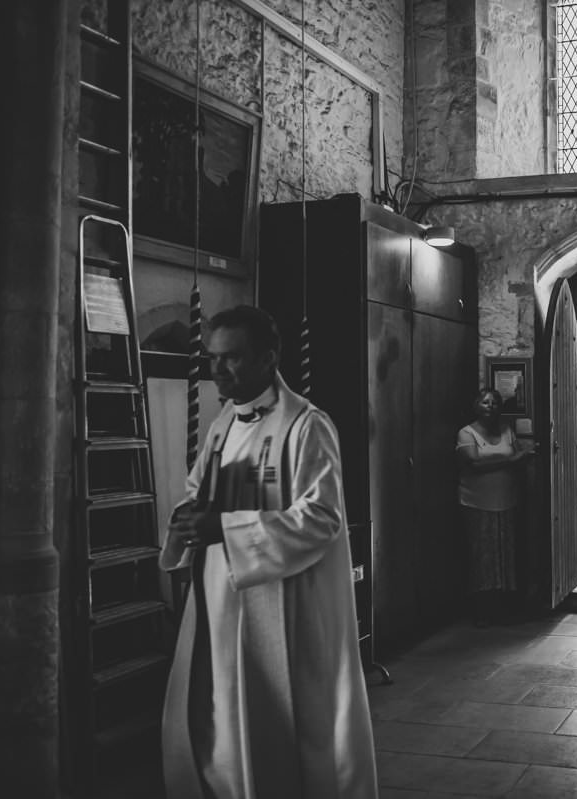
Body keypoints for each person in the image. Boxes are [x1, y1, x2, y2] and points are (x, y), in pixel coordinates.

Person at [159, 305, 377, 799]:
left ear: (268, 358)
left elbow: (321, 518)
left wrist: (224, 527)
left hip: (283, 599)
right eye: (212, 358)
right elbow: (197, 490)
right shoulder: (222, 424)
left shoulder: (307, 425)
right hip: (220, 595)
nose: (217, 370)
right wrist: (189, 517)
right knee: (220, 708)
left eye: (232, 358)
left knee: (282, 717)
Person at [456, 387, 536, 625]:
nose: (490, 406)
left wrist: (519, 459)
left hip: (506, 501)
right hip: (477, 503)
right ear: (476, 406)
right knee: (482, 556)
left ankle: (504, 606)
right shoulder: (466, 433)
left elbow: (520, 456)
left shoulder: (507, 431)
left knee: (504, 555)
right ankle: (482, 608)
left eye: (494, 403)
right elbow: (474, 463)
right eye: (485, 402)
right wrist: (509, 460)